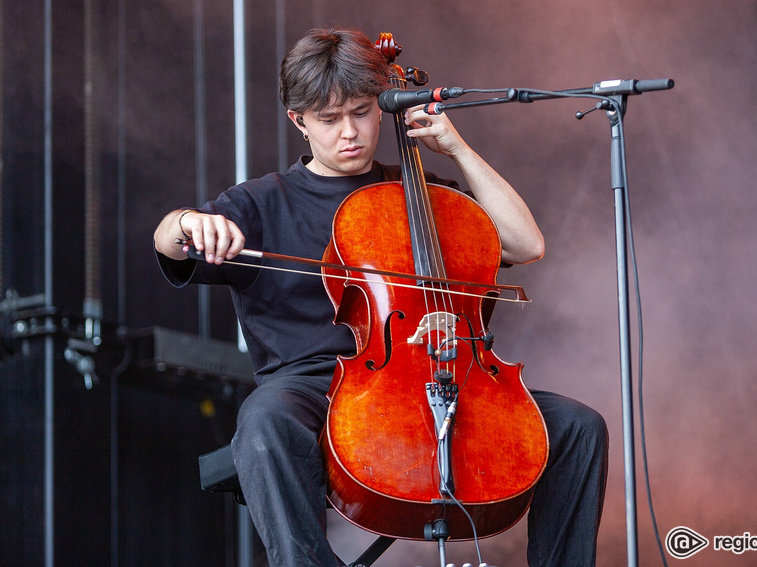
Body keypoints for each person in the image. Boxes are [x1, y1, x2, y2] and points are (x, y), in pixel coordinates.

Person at [154, 27, 608, 567]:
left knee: (580, 427)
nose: (351, 132)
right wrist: (188, 222)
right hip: (314, 391)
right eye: (329, 119)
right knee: (264, 420)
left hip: (442, 373)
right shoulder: (261, 202)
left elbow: (525, 244)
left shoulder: (425, 195)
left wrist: (457, 149)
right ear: (300, 122)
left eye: (363, 112)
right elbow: (168, 241)